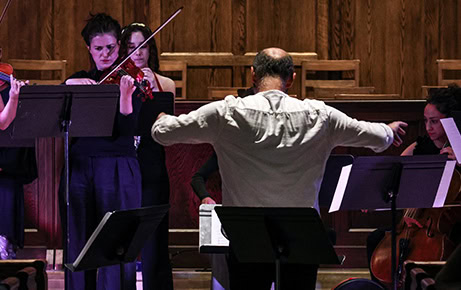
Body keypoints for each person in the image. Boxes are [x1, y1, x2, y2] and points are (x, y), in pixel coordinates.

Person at [152, 47, 407, 289]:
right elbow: (376, 137)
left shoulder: (226, 112)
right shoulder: (321, 116)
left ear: (253, 74)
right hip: (303, 236)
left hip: (246, 236)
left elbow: (161, 133)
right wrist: (389, 130)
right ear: (292, 79)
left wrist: (162, 119)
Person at [61, 13, 142, 290]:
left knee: (115, 243)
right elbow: (60, 118)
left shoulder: (130, 79)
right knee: (78, 240)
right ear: (89, 49)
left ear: (119, 46)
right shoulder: (79, 81)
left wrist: (126, 98)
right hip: (81, 166)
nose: (105, 54)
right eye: (98, 48)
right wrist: (68, 86)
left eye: (110, 47)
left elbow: (127, 130)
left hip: (118, 165)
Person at [366, 85, 461, 286]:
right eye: (426, 121)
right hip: (413, 223)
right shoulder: (419, 147)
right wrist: (372, 195)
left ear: (452, 121)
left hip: (447, 228)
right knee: (375, 238)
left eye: (435, 122)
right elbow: (391, 176)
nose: (428, 127)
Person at [120, 22, 175, 290]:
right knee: (124, 232)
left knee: (155, 232)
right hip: (125, 161)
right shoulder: (118, 80)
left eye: (143, 46)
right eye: (131, 47)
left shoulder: (165, 83)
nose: (138, 53)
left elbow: (167, 128)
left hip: (153, 159)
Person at [0, 75, 31, 260]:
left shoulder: (4, 85)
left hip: (7, 160)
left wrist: (17, 97)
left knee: (8, 186)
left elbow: (5, 123)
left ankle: (5, 250)